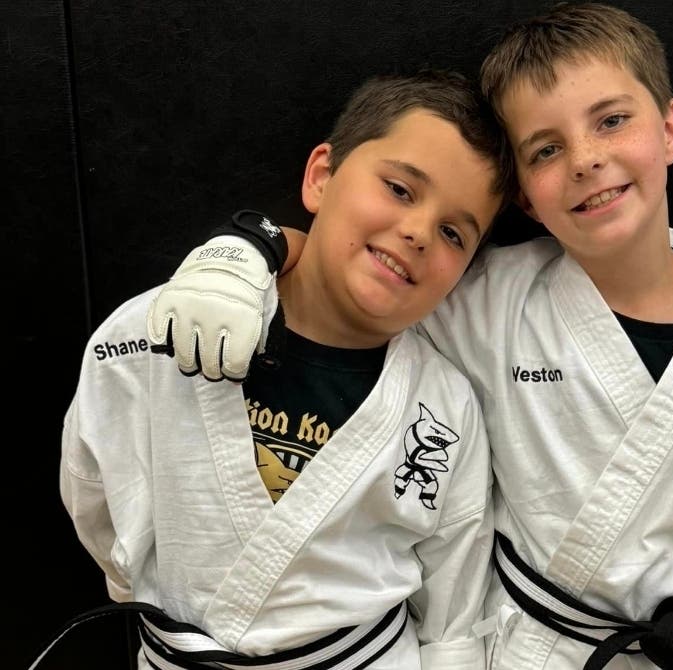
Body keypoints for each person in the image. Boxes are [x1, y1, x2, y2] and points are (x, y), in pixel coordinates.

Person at [146, 3, 673, 668]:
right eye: (545, 150)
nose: (584, 158)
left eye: (610, 121)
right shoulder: (492, 296)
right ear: (523, 196)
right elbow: (361, 268)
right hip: (524, 648)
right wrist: (248, 252)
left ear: (670, 128)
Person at [44, 69, 516, 670]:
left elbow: (455, 593)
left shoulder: (444, 408)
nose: (420, 231)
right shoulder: (157, 331)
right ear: (322, 176)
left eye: (454, 232)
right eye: (400, 188)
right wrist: (135, 584)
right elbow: (92, 487)